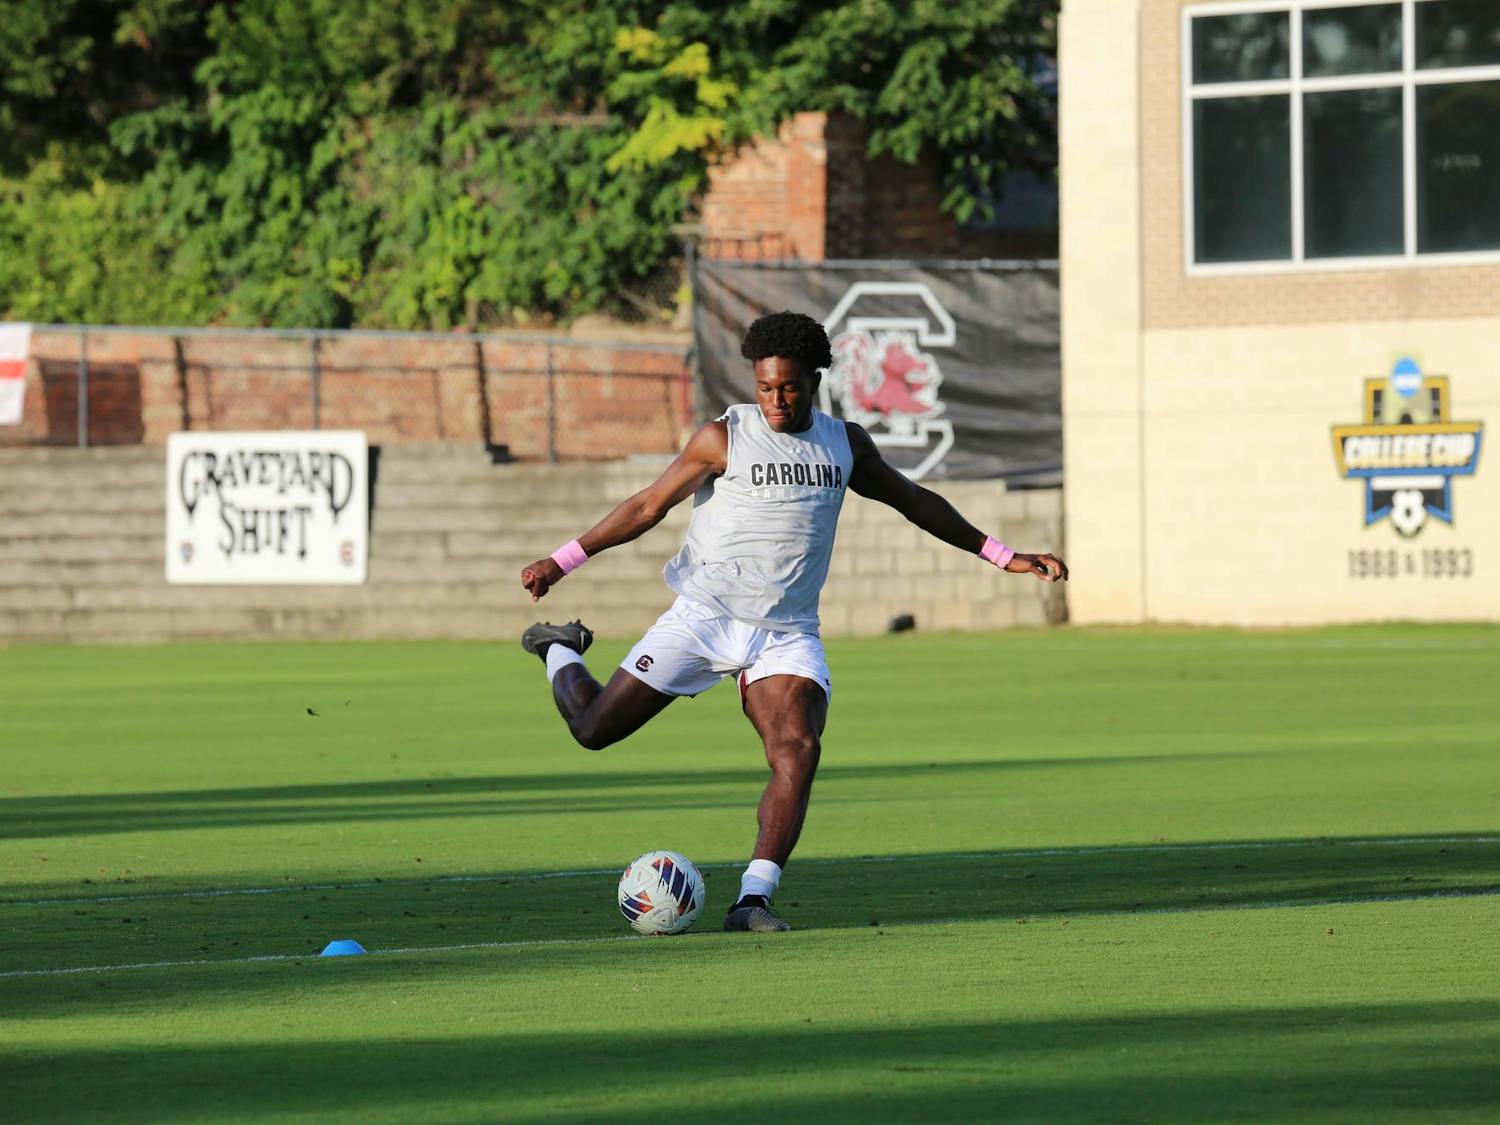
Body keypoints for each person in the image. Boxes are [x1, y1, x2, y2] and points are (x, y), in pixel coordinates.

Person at [520, 311, 1067, 933]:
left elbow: (914, 501)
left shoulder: (844, 443)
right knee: (593, 730)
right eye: (765, 388)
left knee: (797, 750)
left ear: (816, 379)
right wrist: (563, 561)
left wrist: (1003, 555)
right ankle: (559, 649)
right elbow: (647, 505)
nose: (776, 401)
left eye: (789, 388)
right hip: (705, 616)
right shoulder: (722, 437)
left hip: (785, 634)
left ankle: (752, 898)